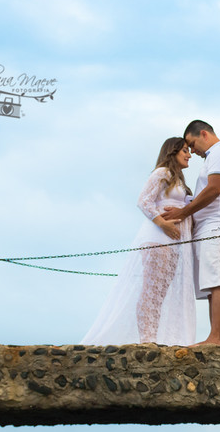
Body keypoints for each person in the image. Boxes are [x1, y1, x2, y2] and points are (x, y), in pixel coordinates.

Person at [82, 138, 198, 345]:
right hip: (157, 239)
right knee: (151, 289)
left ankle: (152, 335)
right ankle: (147, 338)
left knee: (159, 292)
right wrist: (163, 224)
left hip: (172, 243)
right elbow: (143, 200)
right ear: (173, 152)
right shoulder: (162, 173)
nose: (189, 155)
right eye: (185, 151)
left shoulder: (177, 179)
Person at [161, 120, 220, 346]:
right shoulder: (213, 157)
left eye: (192, 144)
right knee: (211, 284)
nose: (192, 151)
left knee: (218, 281)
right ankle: (214, 337)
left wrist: (184, 211)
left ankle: (216, 338)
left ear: (204, 134)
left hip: (218, 226)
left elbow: (214, 189)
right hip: (209, 228)